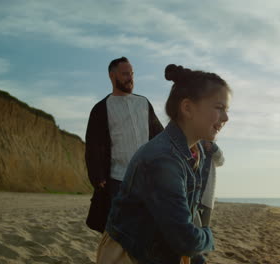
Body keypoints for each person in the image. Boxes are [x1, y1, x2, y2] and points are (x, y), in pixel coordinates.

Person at [96, 64, 231, 264]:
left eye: (226, 110)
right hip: (130, 254)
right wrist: (208, 236)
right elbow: (186, 239)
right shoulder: (162, 159)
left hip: (161, 249)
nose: (226, 118)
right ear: (187, 108)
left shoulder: (196, 151)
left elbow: (186, 224)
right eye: (219, 108)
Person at [85, 57, 164, 233]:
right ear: (112, 76)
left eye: (132, 74)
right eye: (125, 74)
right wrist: (97, 177)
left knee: (148, 230)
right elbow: (93, 146)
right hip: (118, 181)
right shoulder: (101, 108)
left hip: (147, 179)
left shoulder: (143, 103)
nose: (130, 78)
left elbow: (160, 136)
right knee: (119, 231)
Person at [196, 141, 224, 227]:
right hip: (192, 195)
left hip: (207, 197)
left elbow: (221, 161)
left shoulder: (212, 146)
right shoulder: (193, 141)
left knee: (204, 227)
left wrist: (213, 147)